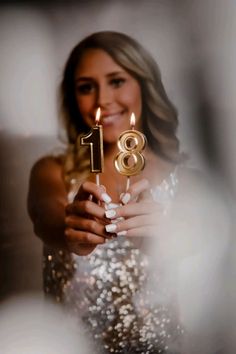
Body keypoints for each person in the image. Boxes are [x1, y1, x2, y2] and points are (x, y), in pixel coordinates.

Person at [27, 31, 228, 354]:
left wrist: (165, 241)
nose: (102, 100)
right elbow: (44, 217)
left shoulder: (190, 183)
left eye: (116, 81)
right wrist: (70, 229)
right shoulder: (51, 171)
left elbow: (208, 274)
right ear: (72, 97)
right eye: (86, 87)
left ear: (145, 86)